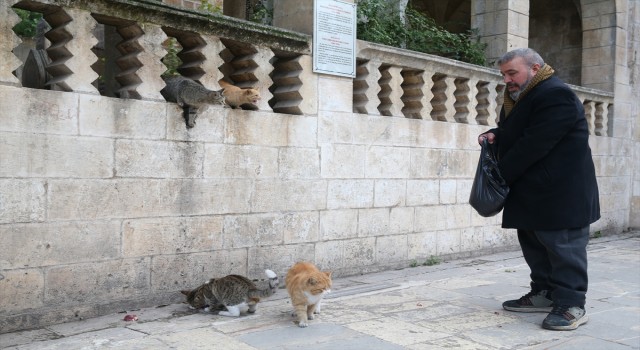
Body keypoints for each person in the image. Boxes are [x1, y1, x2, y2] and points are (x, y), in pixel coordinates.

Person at [478, 48, 600, 331]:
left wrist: (500, 175)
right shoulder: (522, 96)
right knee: (534, 245)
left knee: (564, 248)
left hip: (560, 192)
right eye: (504, 74)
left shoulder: (556, 94)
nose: (507, 80)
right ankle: (544, 294)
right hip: (533, 190)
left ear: (534, 69)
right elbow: (516, 131)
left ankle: (571, 304)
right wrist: (496, 135)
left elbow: (535, 143)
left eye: (512, 73)